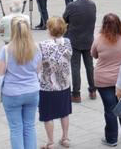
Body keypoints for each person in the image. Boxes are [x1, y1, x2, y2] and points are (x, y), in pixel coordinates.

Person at [0, 17, 42, 149]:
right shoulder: (36, 48)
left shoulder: (6, 50)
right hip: (32, 91)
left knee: (16, 128)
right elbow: (38, 70)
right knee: (29, 126)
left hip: (12, 93)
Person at [91, 13, 121, 147]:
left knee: (110, 109)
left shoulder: (99, 39)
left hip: (103, 79)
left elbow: (94, 55)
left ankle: (112, 139)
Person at [38, 17, 73, 149]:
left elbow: (38, 65)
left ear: (49, 29)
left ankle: (50, 142)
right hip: (64, 83)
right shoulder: (68, 42)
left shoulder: (42, 45)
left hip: (47, 85)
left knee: (48, 115)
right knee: (64, 112)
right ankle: (65, 138)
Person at [63, 0, 97, 102]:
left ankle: (76, 94)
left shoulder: (72, 5)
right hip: (88, 39)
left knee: (75, 67)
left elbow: (64, 19)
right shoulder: (92, 5)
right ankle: (93, 90)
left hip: (75, 40)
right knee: (89, 66)